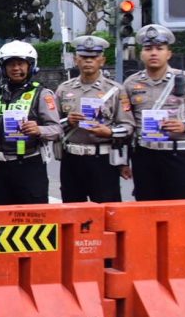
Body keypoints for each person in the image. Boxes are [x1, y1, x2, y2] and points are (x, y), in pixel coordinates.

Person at [122, 24, 185, 200]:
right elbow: (128, 124)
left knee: (183, 209)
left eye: (159, 48)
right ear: (142, 54)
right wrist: (124, 161)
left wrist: (184, 125)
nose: (154, 53)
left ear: (168, 53)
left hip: (177, 154)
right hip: (144, 156)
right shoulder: (131, 83)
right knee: (146, 208)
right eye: (148, 49)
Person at [0, 41, 62, 205]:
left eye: (21, 64)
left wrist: (39, 129)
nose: (16, 68)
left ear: (30, 66)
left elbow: (57, 129)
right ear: (3, 68)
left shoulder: (42, 95)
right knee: (3, 222)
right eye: (11, 64)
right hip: (1, 168)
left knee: (35, 221)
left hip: (29, 166)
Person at [54, 36, 134, 203]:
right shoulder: (64, 89)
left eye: (93, 57)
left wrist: (109, 131)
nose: (88, 61)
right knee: (72, 212)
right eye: (83, 57)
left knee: (107, 212)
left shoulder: (115, 90)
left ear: (102, 60)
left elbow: (128, 126)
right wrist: (68, 121)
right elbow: (52, 125)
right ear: (76, 60)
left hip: (103, 160)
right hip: (72, 159)